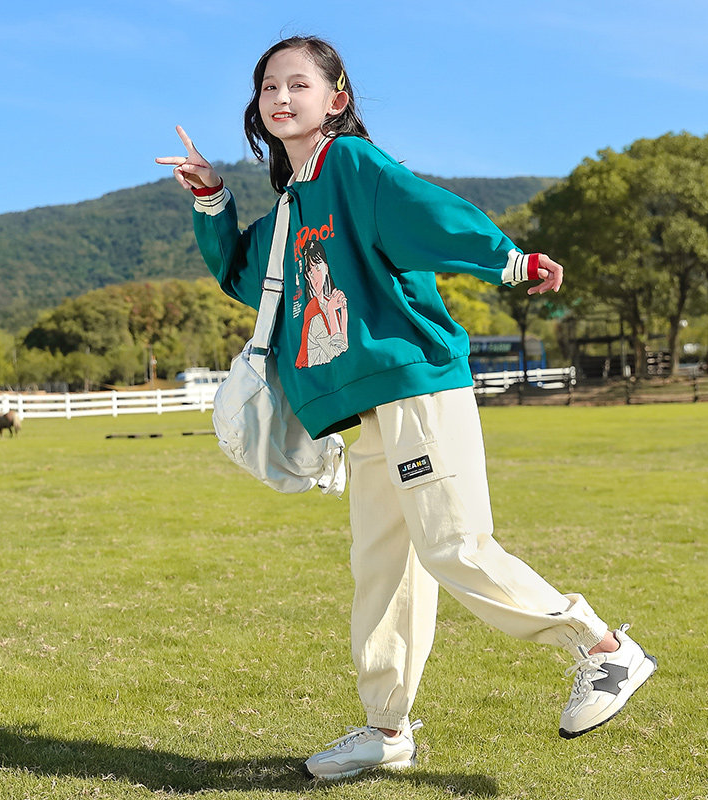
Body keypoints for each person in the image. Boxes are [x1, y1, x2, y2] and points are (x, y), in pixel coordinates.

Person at [156, 35, 656, 781]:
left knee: (454, 545)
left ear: (337, 98)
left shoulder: (351, 165)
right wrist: (211, 198)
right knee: (382, 570)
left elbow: (420, 208)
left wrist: (507, 259)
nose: (281, 97)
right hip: (364, 411)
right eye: (268, 87)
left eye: (298, 84)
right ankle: (386, 730)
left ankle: (603, 648)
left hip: (415, 387)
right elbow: (241, 274)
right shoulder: (294, 203)